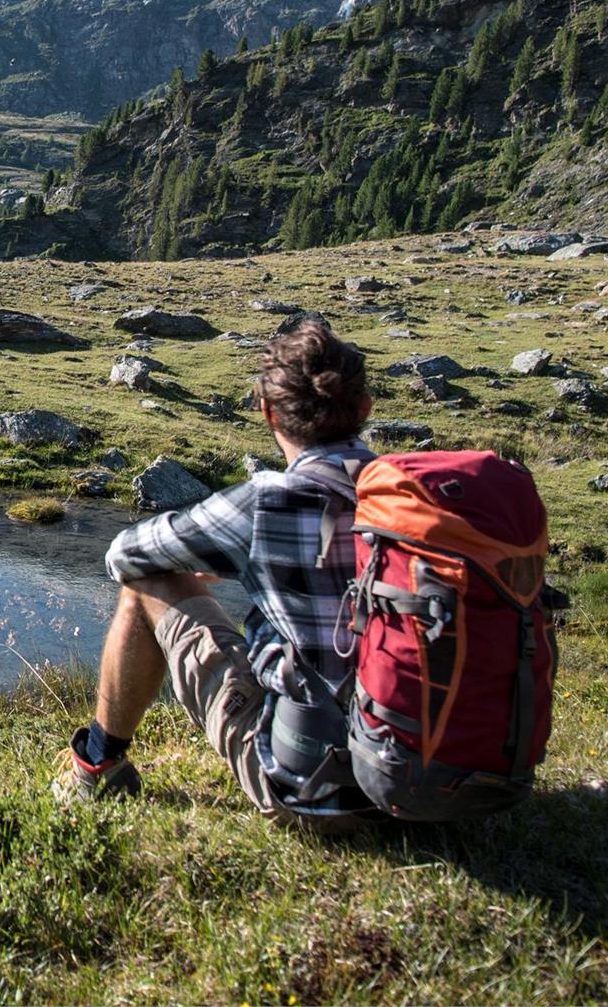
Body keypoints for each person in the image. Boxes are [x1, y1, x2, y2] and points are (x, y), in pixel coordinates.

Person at [53, 316, 379, 829]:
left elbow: (123, 555)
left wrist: (212, 559)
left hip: (320, 789)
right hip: (452, 771)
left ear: (269, 413)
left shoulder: (266, 504)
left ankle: (96, 765)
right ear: (365, 408)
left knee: (146, 584)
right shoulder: (422, 502)